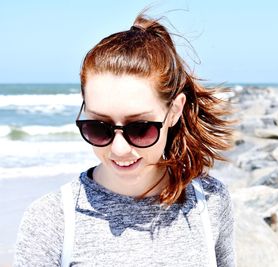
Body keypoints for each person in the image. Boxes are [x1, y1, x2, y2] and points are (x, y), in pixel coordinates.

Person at [14, 12, 236, 267]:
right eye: (99, 128)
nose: (119, 149)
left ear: (174, 111)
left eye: (140, 129)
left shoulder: (210, 201)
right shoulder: (51, 220)